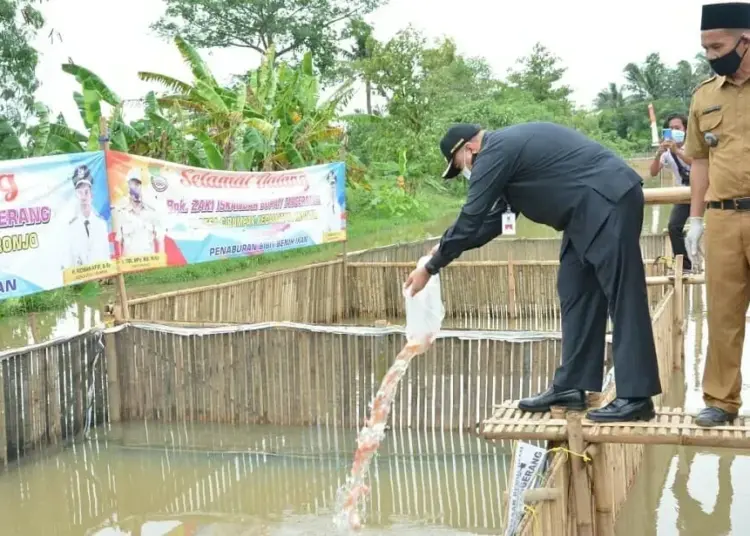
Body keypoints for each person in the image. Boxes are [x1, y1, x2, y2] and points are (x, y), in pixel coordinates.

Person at [404, 122, 662, 422]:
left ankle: (636, 397)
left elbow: (472, 216)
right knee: (575, 291)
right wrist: (442, 247)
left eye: (460, 165)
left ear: (469, 149)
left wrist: (432, 268)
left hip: (607, 200)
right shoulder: (505, 156)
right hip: (584, 212)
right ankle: (572, 385)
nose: (465, 172)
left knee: (623, 294)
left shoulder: (494, 153)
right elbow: (495, 220)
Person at [684, 2, 750, 427]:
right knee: (722, 313)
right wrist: (695, 219)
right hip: (724, 217)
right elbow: (699, 161)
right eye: (706, 48)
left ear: (746, 41)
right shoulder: (705, 95)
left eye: (718, 45)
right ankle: (721, 402)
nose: (711, 55)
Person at [649, 113, 693, 273]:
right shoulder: (667, 153)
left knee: (718, 222)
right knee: (674, 226)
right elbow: (653, 172)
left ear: (686, 129)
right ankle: (685, 266)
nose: (674, 131)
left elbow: (697, 162)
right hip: (685, 193)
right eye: (671, 129)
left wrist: (678, 151)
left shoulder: (694, 145)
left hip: (705, 190)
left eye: (678, 128)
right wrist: (659, 153)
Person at [66, 165, 111, 267]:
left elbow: (106, 255)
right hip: (82, 279)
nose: (83, 197)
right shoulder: (71, 227)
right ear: (76, 197)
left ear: (92, 195)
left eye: (86, 192)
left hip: (101, 277)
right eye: (79, 193)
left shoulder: (101, 224)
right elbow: (69, 261)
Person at [113, 167, 164, 256]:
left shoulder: (151, 213)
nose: (134, 188)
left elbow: (160, 240)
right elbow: (118, 243)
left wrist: (161, 264)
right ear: (128, 188)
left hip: (149, 265)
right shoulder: (122, 213)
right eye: (131, 185)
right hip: (129, 266)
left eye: (137, 185)